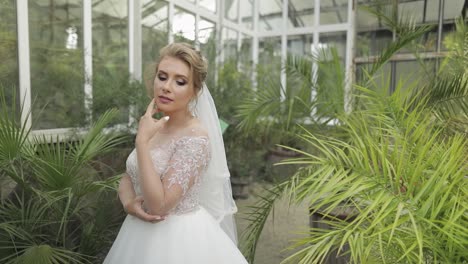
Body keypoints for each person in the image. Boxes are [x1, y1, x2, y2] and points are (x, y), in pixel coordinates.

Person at [103, 42, 248, 264]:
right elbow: (129, 175)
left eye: (180, 81)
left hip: (178, 243)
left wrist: (141, 141)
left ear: (195, 91)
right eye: (162, 77)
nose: (166, 87)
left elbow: (159, 206)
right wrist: (129, 204)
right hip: (136, 235)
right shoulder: (156, 125)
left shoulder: (195, 139)